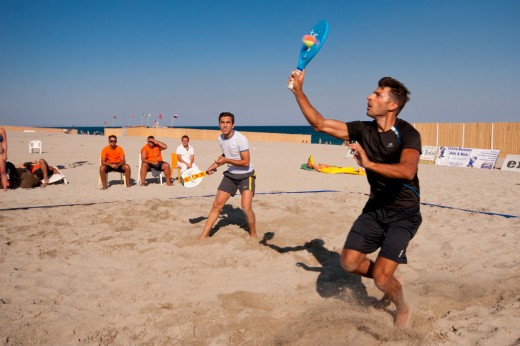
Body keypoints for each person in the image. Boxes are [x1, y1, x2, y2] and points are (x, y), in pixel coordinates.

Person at [289, 71, 422, 328]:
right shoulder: (363, 129)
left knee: (382, 281)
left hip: (403, 212)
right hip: (375, 208)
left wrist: (369, 163)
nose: (369, 96)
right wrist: (298, 91)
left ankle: (402, 305)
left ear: (392, 105)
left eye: (377, 94)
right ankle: (390, 280)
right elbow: (320, 124)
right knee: (348, 263)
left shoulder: (407, 133)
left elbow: (407, 171)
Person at [198, 112, 257, 240]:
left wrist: (226, 161)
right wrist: (214, 165)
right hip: (230, 175)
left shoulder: (241, 139)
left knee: (246, 208)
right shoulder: (220, 138)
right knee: (217, 205)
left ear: (233, 124)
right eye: (222, 122)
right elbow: (226, 154)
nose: (225, 125)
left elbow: (245, 162)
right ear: (219, 124)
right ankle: (204, 235)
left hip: (246, 175)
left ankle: (253, 234)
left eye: (228, 122)